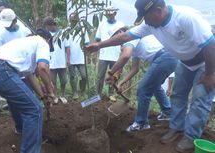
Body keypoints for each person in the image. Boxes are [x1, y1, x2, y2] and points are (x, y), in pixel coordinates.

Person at [84, 0, 215, 152]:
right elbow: (125, 37)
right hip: (184, 62)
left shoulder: (186, 17)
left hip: (206, 62)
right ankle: (176, 128)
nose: (145, 21)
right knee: (178, 95)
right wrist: (99, 45)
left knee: (199, 99)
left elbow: (210, 44)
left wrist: (210, 74)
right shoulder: (150, 24)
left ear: (158, 11)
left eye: (146, 16)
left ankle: (191, 137)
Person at [0, 28, 55, 153]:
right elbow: (42, 68)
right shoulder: (42, 42)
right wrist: (51, 91)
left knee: (16, 101)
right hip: (2, 69)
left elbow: (30, 76)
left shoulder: (24, 45)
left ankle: (22, 130)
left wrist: (43, 97)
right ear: (48, 40)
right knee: (34, 109)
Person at [107, 33, 177, 130]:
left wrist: (111, 73)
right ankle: (167, 112)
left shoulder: (129, 37)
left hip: (165, 57)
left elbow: (125, 56)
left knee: (143, 90)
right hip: (170, 57)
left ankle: (141, 123)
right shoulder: (134, 47)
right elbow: (135, 69)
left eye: (120, 45)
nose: (121, 48)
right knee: (154, 86)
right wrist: (120, 83)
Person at [95, 6, 124, 97]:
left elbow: (124, 39)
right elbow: (97, 39)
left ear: (115, 13)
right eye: (107, 14)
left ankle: (111, 94)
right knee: (100, 76)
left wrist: (122, 52)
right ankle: (97, 94)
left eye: (111, 14)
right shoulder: (102, 24)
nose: (109, 16)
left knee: (114, 76)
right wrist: (95, 52)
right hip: (103, 55)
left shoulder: (120, 24)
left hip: (115, 55)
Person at [43, 16, 70, 104]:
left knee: (63, 81)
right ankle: (55, 96)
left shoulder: (62, 33)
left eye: (47, 26)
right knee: (53, 81)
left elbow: (67, 47)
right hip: (51, 62)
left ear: (52, 25)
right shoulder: (46, 34)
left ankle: (62, 95)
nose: (47, 28)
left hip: (62, 62)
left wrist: (68, 59)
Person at [68, 13, 89, 99]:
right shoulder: (67, 31)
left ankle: (82, 91)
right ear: (70, 21)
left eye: (75, 21)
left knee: (84, 76)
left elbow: (87, 43)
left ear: (78, 21)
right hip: (71, 58)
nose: (74, 22)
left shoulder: (82, 31)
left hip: (81, 58)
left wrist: (88, 52)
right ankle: (74, 93)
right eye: (72, 21)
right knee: (73, 77)